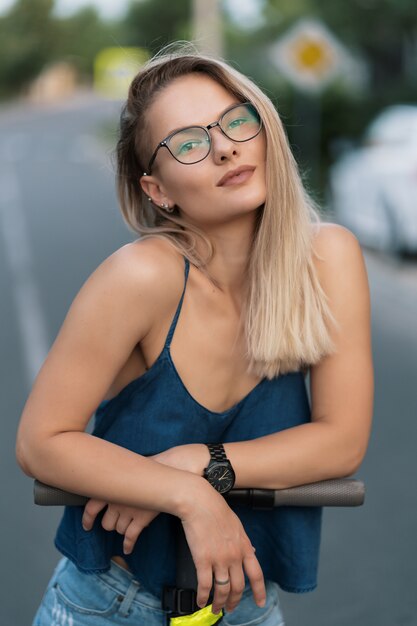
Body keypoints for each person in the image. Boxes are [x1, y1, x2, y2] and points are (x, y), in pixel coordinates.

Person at [16, 44, 374, 626]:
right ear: (157, 190)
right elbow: (42, 442)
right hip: (113, 604)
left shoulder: (327, 257)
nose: (225, 147)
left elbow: (341, 441)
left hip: (248, 609)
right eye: (188, 142)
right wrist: (188, 496)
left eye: (235, 120)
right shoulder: (141, 276)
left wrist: (196, 463)